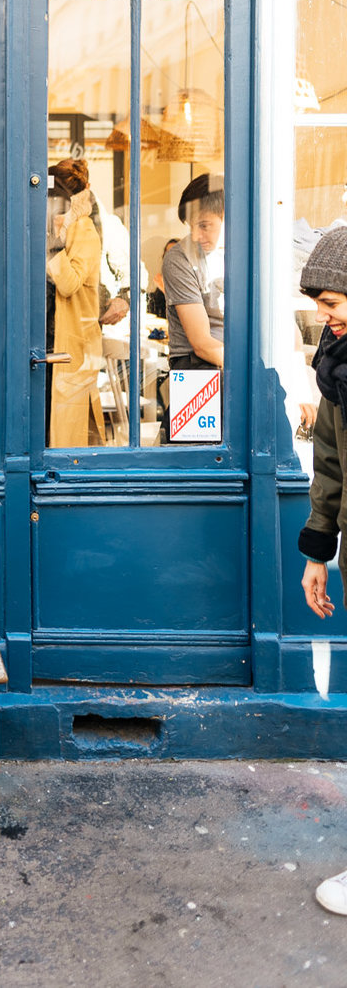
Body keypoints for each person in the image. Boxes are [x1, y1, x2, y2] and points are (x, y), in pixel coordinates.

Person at [297, 229, 347, 915]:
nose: (327, 316)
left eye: (335, 302)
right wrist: (318, 551)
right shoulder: (336, 364)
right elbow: (330, 461)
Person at [46, 158, 105, 448]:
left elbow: (68, 284)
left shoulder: (83, 230)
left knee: (65, 436)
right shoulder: (65, 229)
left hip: (68, 345)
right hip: (48, 342)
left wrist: (52, 245)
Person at [161, 172, 224, 370]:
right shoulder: (179, 260)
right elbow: (202, 344)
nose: (196, 236)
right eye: (192, 226)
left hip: (237, 361)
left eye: (205, 226)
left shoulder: (251, 256)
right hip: (196, 365)